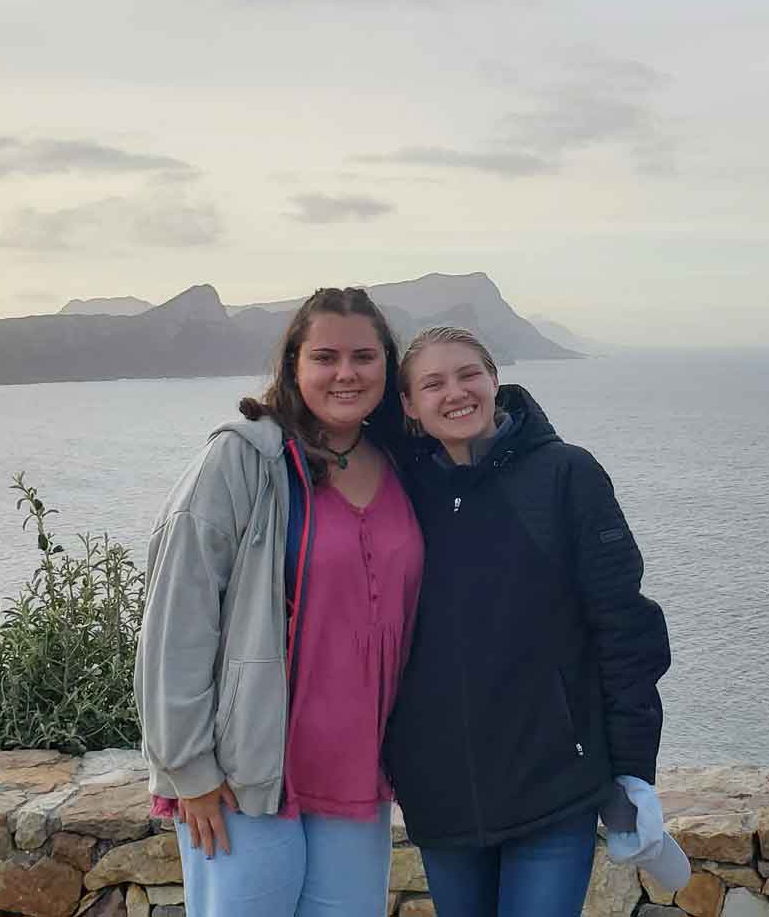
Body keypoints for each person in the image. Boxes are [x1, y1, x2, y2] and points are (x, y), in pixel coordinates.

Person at [135, 287, 424, 916]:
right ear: (294, 366)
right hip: (247, 776)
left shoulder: (405, 465)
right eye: (325, 356)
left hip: (356, 774)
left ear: (387, 367)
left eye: (363, 356)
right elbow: (177, 619)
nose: (345, 373)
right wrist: (190, 769)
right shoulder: (244, 460)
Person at [384, 326, 673, 917]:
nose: (456, 392)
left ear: (495, 380)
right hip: (440, 793)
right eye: (432, 383)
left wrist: (634, 772)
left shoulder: (566, 476)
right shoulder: (397, 489)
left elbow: (626, 629)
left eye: (469, 374)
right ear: (409, 406)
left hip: (554, 787)